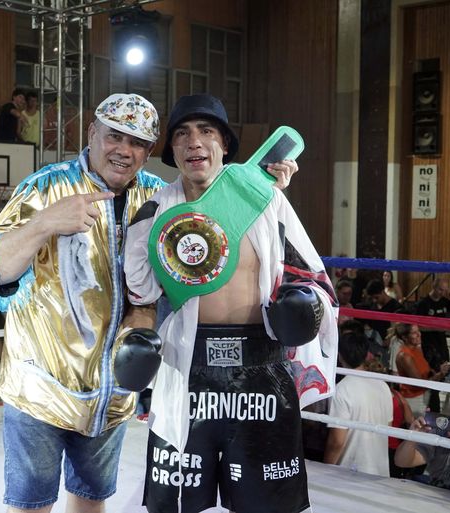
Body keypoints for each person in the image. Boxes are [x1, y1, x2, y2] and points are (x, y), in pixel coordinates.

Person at [124, 94, 336, 513]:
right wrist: (135, 339)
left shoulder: (264, 201)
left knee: (268, 506)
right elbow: (141, 299)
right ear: (172, 151)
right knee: (175, 506)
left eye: (206, 131)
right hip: (187, 372)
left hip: (262, 372)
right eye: (182, 134)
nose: (193, 142)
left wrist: (304, 308)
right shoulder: (152, 214)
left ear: (224, 144)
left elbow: (311, 276)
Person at [0, 93, 165, 513]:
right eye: (115, 136)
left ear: (149, 152)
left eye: (137, 143)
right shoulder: (45, 186)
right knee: (29, 507)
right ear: (93, 133)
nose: (124, 151)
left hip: (112, 393)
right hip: (41, 388)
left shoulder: (159, 198)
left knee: (91, 503)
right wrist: (45, 223)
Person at [324, 330, 393, 476]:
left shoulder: (342, 389)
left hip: (350, 474)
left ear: (339, 355)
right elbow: (388, 428)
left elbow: (337, 441)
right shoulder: (382, 385)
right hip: (379, 472)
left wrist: (325, 470)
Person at [415, 277, 450, 411]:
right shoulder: (423, 304)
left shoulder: (444, 301)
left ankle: (434, 409)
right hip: (429, 346)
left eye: (444, 290)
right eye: (440, 289)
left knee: (443, 376)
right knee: (433, 379)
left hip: (441, 345)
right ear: (433, 287)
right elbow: (418, 326)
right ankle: (432, 409)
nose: (442, 292)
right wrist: (437, 327)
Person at [394, 323, 450, 416]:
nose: (419, 334)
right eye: (414, 333)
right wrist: (440, 374)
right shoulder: (405, 356)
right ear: (405, 337)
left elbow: (426, 372)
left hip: (424, 396)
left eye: (418, 331)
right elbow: (419, 384)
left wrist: (439, 371)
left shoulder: (417, 349)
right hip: (414, 400)